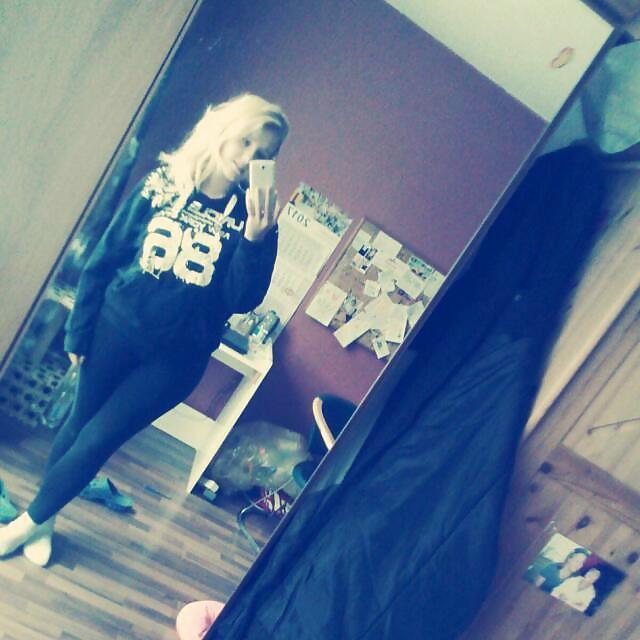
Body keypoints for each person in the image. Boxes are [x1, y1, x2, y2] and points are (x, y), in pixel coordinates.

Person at [0, 93, 290, 567]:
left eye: (264, 155)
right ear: (224, 130)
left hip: (175, 361)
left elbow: (240, 299)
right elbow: (105, 257)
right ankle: (44, 519)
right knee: (77, 424)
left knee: (99, 438)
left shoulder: (255, 220)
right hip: (113, 331)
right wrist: (78, 330)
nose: (249, 159)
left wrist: (255, 241)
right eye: (245, 142)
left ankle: (23, 525)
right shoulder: (162, 183)